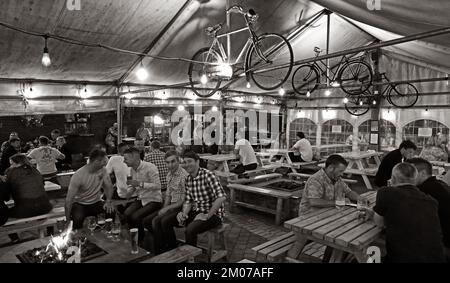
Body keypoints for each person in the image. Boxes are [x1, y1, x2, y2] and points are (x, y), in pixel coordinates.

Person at [366, 163, 446, 262]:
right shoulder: (431, 201)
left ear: (393, 178)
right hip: (437, 258)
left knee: (372, 250)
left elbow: (380, 223)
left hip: (402, 259)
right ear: (415, 179)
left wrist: (374, 214)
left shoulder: (385, 192)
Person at [162, 151, 226, 250]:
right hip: (197, 211)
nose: (187, 164)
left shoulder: (208, 175)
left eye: (189, 161)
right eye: (185, 162)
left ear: (197, 162)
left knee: (190, 229)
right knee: (166, 221)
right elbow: (188, 201)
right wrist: (184, 213)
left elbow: (221, 197)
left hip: (214, 215)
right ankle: (173, 250)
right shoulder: (188, 179)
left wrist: (207, 215)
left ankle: (190, 257)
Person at [143, 150, 188, 254]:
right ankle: (163, 243)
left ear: (178, 161)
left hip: (182, 207)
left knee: (161, 221)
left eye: (173, 161)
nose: (170, 165)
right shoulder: (169, 175)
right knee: (147, 221)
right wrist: (164, 208)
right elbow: (168, 195)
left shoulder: (184, 176)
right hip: (173, 206)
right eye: (167, 162)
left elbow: (183, 200)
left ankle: (168, 249)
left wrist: (166, 209)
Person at [408, 158, 450, 261]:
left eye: (409, 173)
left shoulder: (423, 192)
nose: (405, 177)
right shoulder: (439, 184)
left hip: (441, 246)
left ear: (422, 173)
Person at [65, 149, 115, 229]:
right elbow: (68, 200)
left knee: (111, 211)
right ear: (96, 161)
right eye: (104, 162)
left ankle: (108, 234)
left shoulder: (103, 170)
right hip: (80, 203)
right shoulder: (78, 175)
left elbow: (109, 186)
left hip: (96, 201)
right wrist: (67, 220)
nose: (105, 165)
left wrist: (108, 200)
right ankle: (78, 237)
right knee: (78, 218)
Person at [122, 147, 162, 243]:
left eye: (126, 159)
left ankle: (140, 240)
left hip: (154, 199)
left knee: (135, 217)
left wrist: (139, 184)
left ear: (135, 158)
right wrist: (128, 193)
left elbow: (158, 186)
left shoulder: (150, 167)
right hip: (141, 198)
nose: (124, 161)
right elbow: (133, 186)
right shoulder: (131, 170)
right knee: (127, 214)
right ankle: (136, 236)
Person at [2, 154, 52, 219]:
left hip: (26, 210)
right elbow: (42, 184)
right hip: (45, 207)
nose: (10, 166)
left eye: (12, 164)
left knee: (4, 214)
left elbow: (6, 197)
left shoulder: (11, 172)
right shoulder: (35, 170)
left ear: (18, 163)